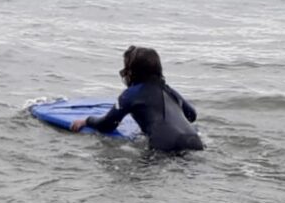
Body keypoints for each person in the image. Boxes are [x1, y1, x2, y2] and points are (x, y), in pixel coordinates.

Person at [70, 45, 203, 152]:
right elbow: (191, 115)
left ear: (132, 71)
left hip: (164, 147)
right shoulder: (169, 91)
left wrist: (86, 121)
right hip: (195, 142)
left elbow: (107, 125)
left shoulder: (130, 94)